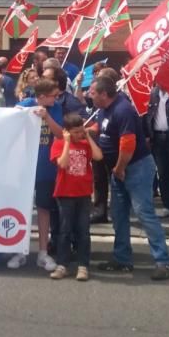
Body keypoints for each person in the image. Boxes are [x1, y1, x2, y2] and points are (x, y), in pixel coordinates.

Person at [88, 75, 169, 280]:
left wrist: (119, 168)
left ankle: (163, 261)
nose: (89, 95)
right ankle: (122, 258)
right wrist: (85, 131)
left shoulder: (123, 109)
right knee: (118, 214)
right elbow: (102, 128)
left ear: (104, 94)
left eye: (92, 92)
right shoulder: (105, 109)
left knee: (144, 212)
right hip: (120, 170)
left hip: (135, 167)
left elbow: (128, 144)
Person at [11, 79, 64, 272]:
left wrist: (47, 117)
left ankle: (43, 251)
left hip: (46, 167)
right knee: (22, 208)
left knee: (44, 209)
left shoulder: (55, 108)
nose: (56, 98)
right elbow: (7, 125)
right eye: (53, 95)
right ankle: (19, 249)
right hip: (24, 168)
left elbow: (60, 135)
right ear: (41, 96)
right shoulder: (25, 105)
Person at [49, 114, 102, 281]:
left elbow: (98, 156)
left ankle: (83, 265)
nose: (80, 134)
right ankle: (62, 264)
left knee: (83, 231)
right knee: (65, 230)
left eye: (81, 131)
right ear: (67, 132)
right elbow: (63, 164)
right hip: (65, 193)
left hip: (83, 193)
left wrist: (87, 137)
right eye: (76, 132)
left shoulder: (85, 144)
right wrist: (66, 142)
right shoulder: (58, 144)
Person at [145, 84, 169, 225]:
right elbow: (146, 114)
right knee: (162, 173)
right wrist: (147, 134)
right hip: (157, 138)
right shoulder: (153, 93)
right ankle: (167, 205)